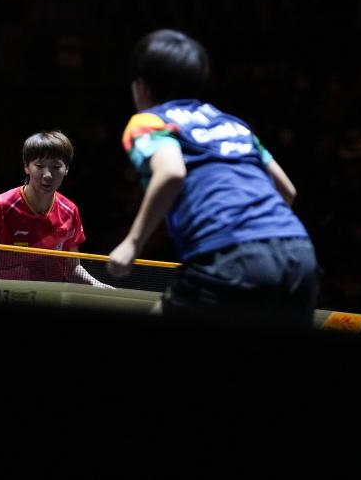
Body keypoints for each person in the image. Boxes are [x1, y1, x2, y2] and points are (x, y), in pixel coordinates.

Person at [107, 29, 319, 328]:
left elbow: (171, 173)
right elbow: (287, 191)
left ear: (141, 87)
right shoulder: (233, 125)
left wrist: (133, 243)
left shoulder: (150, 121)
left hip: (231, 257)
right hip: (299, 255)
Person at [0, 131, 112, 288]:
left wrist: (100, 286)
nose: (48, 175)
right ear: (26, 166)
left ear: (66, 169)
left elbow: (72, 268)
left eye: (56, 167)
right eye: (39, 166)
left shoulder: (69, 212)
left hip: (44, 300)